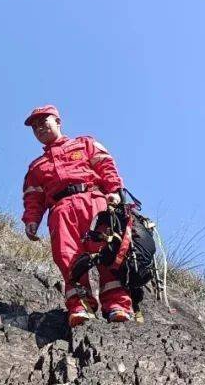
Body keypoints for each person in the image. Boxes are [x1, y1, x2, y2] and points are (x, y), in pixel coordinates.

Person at [20, 105, 134, 327]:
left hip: (94, 200)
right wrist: (32, 220)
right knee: (67, 256)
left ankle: (117, 305)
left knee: (108, 250)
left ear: (58, 122)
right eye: (35, 127)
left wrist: (114, 192)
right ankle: (81, 306)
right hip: (61, 210)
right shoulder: (36, 167)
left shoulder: (85, 144)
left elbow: (106, 167)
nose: (39, 128)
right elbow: (33, 198)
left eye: (44, 122)